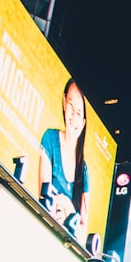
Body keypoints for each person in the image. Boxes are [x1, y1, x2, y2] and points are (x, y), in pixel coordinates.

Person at [38, 77, 90, 245]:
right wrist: (69, 211)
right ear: (63, 103)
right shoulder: (50, 139)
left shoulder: (83, 171)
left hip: (66, 245)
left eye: (79, 112)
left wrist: (67, 204)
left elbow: (82, 230)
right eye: (70, 106)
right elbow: (44, 196)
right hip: (44, 230)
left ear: (83, 123)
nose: (73, 116)